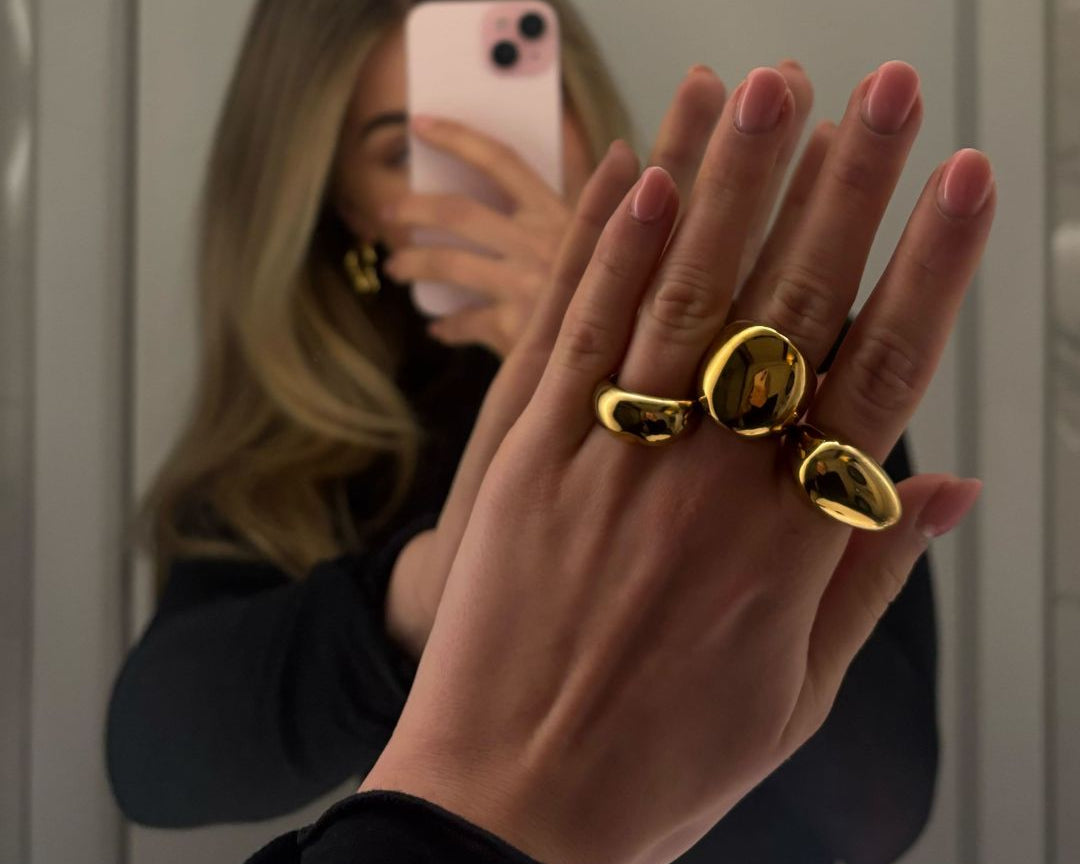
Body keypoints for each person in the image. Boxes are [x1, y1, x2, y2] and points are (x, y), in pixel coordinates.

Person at [106, 0, 945, 860]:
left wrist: (628, 360)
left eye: (519, 123)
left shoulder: (768, 372)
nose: (490, 180)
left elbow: (874, 806)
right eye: (405, 152)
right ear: (343, 204)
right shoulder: (310, 433)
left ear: (580, 114)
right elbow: (150, 757)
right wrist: (418, 595)